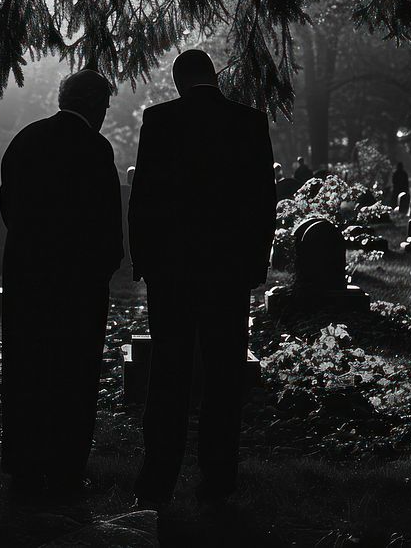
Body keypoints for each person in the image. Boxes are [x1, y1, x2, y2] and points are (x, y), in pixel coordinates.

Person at [128, 49, 276, 508]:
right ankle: (218, 479)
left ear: (178, 82)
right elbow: (262, 201)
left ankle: (157, 482)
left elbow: (144, 199)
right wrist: (255, 265)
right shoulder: (249, 121)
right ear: (213, 77)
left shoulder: (160, 119)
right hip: (227, 271)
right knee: (223, 375)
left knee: (168, 374)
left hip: (172, 271)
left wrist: (145, 264)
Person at [0, 69, 124, 494]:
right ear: (94, 105)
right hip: (79, 284)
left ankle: (24, 464)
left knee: (26, 368)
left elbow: (10, 209)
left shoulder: (26, 139)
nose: (105, 115)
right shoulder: (95, 148)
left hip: (29, 276)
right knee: (74, 372)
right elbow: (108, 222)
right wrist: (102, 269)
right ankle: (68, 466)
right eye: (105, 106)